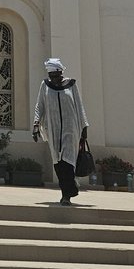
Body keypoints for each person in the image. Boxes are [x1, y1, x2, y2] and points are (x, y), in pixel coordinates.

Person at [32, 58, 89, 206]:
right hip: (53, 129)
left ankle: (66, 195)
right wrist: (36, 125)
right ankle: (68, 189)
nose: (54, 80)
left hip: (71, 130)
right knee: (58, 162)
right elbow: (40, 106)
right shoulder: (45, 85)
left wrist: (84, 127)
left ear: (61, 73)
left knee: (68, 161)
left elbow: (79, 107)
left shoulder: (71, 85)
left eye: (56, 76)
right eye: (51, 77)